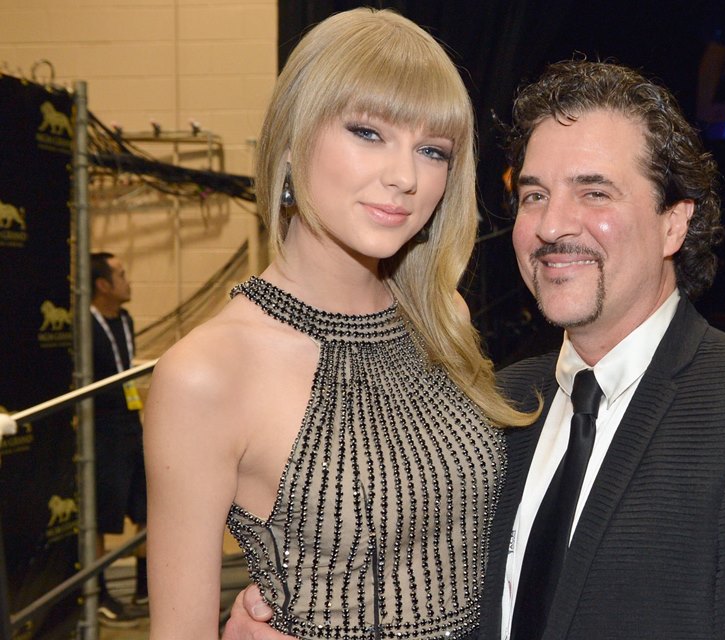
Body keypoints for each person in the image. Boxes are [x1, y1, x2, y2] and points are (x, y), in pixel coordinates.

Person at [227, 60, 725, 639]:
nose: (553, 225)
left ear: (675, 221)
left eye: (595, 192)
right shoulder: (496, 410)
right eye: (535, 194)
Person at [143, 8, 535, 640]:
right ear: (292, 143)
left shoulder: (444, 319)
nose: (405, 176)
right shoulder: (207, 373)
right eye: (368, 132)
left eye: (432, 150)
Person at [89, 251, 149, 627]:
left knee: (147, 510)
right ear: (102, 284)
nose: (128, 282)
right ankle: (98, 594)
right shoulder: (86, 325)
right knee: (102, 517)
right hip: (101, 430)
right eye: (121, 275)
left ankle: (144, 587)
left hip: (131, 426)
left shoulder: (124, 319)